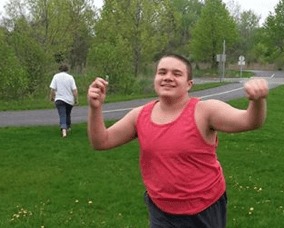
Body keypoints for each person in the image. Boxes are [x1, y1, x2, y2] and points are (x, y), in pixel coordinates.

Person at [87, 54, 269, 228]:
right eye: (162, 72)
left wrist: (258, 100)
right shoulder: (139, 115)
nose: (167, 77)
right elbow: (101, 141)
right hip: (161, 209)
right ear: (155, 79)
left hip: (204, 208)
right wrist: (95, 108)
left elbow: (250, 121)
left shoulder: (205, 111)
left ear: (189, 84)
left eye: (177, 74)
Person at [50, 63, 78, 137]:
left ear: (59, 69)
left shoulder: (56, 77)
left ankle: (64, 130)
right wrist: (76, 99)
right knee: (67, 113)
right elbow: (74, 90)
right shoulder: (70, 77)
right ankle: (68, 127)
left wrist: (52, 97)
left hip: (59, 99)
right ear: (67, 69)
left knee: (62, 114)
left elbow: (52, 89)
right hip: (69, 100)